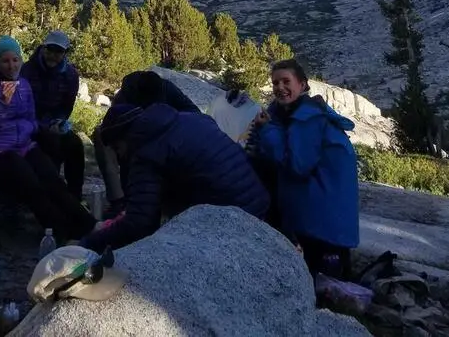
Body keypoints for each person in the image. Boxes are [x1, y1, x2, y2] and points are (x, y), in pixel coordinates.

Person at [80, 101, 269, 253]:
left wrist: (88, 244)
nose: (119, 157)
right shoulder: (188, 118)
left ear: (121, 139)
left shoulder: (145, 150)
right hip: (259, 203)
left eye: (116, 149)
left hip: (232, 221)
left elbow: (139, 223)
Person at [0, 36, 96, 242]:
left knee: (52, 179)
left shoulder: (24, 85)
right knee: (31, 183)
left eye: (15, 60)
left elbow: (30, 119)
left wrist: (54, 127)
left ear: (20, 60)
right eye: (5, 61)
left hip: (24, 146)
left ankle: (89, 225)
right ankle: (60, 231)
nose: (11, 66)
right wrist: (2, 104)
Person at [251, 59, 359, 279]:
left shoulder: (307, 119)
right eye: (275, 83)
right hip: (322, 214)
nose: (280, 87)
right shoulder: (290, 114)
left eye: (286, 81)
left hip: (322, 220)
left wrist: (267, 130)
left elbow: (298, 166)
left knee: (324, 284)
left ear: (302, 84)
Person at [93, 70, 201, 216]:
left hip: (167, 136)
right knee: (120, 147)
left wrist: (171, 121)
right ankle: (120, 201)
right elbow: (112, 127)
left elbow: (194, 113)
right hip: (133, 139)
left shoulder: (166, 89)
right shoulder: (125, 97)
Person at [21, 30, 85, 199]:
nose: (53, 55)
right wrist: (41, 126)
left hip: (52, 122)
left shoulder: (71, 75)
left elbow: (66, 107)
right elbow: (21, 105)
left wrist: (59, 123)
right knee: (51, 143)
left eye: (58, 52)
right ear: (43, 48)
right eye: (50, 50)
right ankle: (49, 193)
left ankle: (74, 196)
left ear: (65, 53)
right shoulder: (27, 70)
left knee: (75, 144)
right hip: (29, 123)